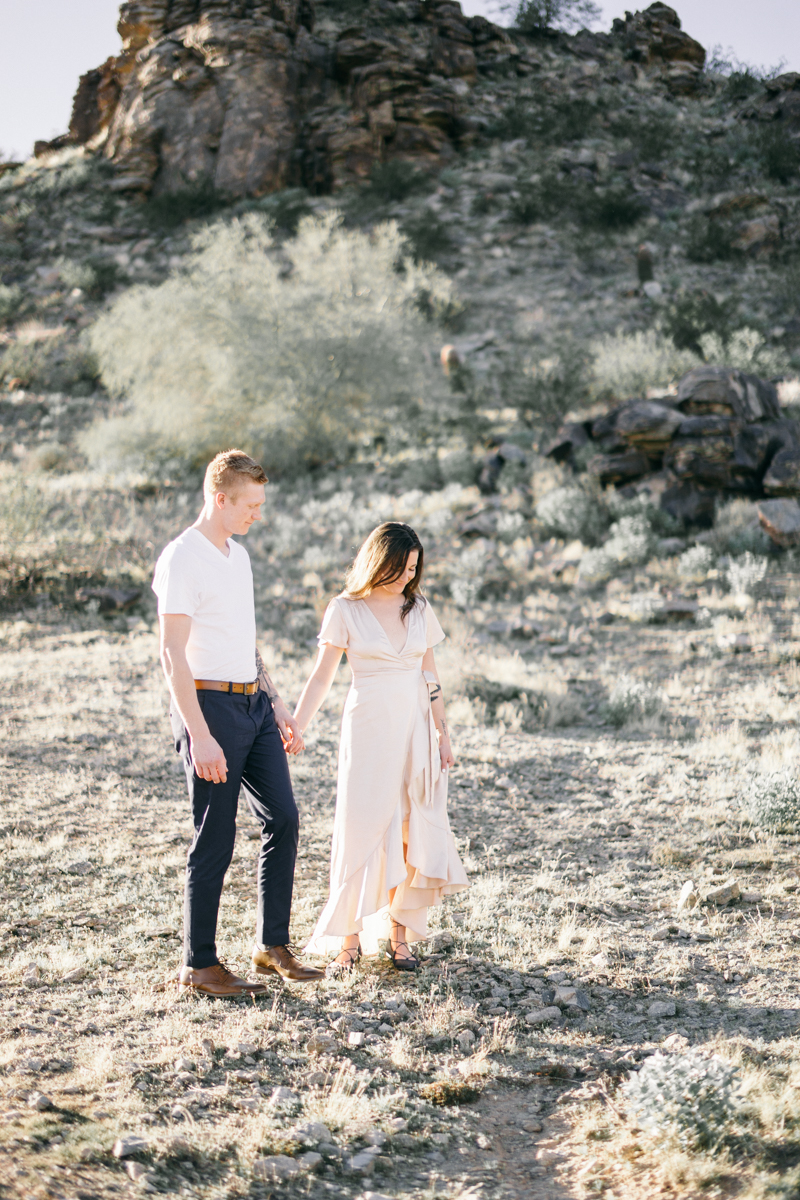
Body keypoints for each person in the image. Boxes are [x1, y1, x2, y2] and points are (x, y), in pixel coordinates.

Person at [152, 448, 323, 996]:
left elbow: (242, 641)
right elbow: (172, 654)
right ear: (219, 498)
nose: (257, 514)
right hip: (210, 711)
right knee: (215, 837)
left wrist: (273, 699)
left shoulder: (239, 556)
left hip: (252, 705)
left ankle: (272, 947)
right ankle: (200, 964)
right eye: (250, 504)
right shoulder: (181, 558)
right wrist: (199, 734)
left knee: (285, 818)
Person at [294, 521, 469, 974]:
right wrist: (296, 724)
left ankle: (400, 937)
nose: (407, 577)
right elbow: (322, 676)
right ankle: (348, 943)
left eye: (413, 569)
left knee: (410, 825)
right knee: (361, 827)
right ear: (378, 560)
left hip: (415, 732)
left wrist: (442, 733)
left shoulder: (418, 608)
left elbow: (431, 678)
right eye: (399, 567)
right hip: (368, 731)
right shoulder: (345, 609)